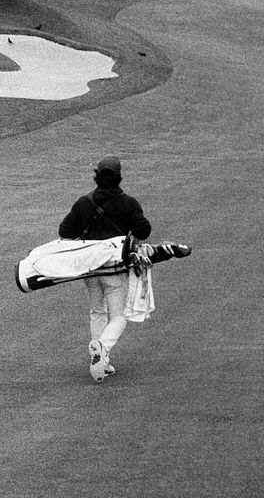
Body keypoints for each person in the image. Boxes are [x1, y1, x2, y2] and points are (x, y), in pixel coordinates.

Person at [59, 156, 152, 383]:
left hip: (90, 269)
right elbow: (144, 231)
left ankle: (103, 361)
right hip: (115, 269)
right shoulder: (128, 203)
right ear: (119, 177)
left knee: (97, 312)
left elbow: (65, 231)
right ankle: (102, 346)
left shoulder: (84, 203)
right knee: (118, 317)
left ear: (97, 176)